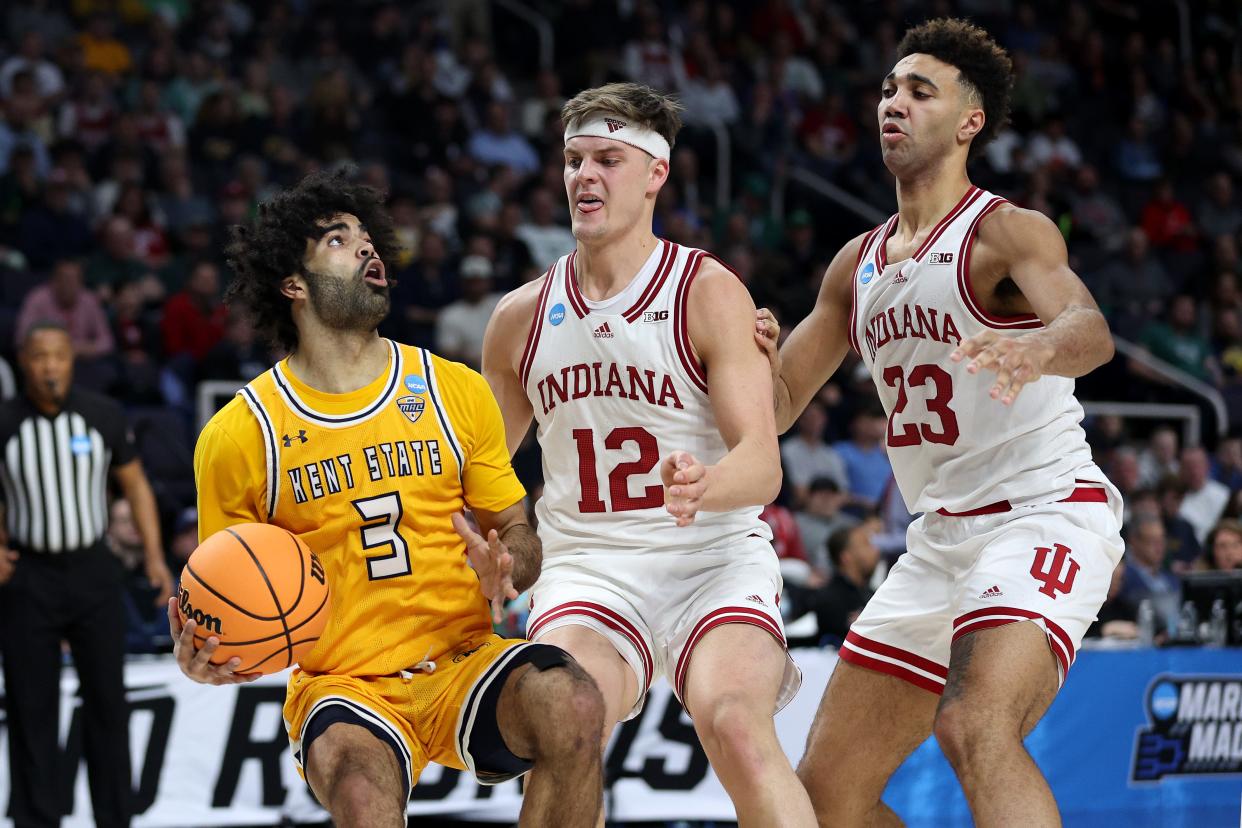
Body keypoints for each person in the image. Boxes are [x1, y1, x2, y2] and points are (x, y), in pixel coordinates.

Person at [755, 19, 1124, 826]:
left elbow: (1090, 331)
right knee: (825, 800)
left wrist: (1038, 349)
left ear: (970, 121)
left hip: (1042, 513)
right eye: (889, 88)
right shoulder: (857, 264)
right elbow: (779, 403)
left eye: (921, 91)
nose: (895, 103)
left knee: (974, 724)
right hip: (938, 540)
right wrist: (746, 359)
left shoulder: (1004, 232)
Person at [172, 170, 604, 828]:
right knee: (359, 793)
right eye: (341, 240)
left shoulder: (452, 390)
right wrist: (209, 659)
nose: (369, 248)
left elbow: (515, 528)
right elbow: (224, 595)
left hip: (464, 658)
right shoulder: (239, 436)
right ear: (293, 283)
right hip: (343, 685)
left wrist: (510, 563)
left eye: (370, 238)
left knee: (572, 702)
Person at [482, 82, 814, 825]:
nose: (584, 177)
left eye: (606, 159)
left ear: (655, 173)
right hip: (590, 565)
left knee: (734, 723)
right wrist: (489, 544)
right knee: (565, 724)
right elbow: (482, 477)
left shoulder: (707, 290)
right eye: (573, 160)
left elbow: (763, 464)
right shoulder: (518, 319)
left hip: (710, 558)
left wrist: (707, 483)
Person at [0, 322, 173, 828]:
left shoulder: (101, 414)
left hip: (93, 572)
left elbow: (136, 486)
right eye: (38, 357)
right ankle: (37, 820)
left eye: (58, 355)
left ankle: (115, 818)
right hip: (29, 576)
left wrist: (156, 557)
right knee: (31, 707)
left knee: (107, 703)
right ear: (22, 362)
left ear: (72, 360)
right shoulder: (5, 421)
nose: (49, 366)